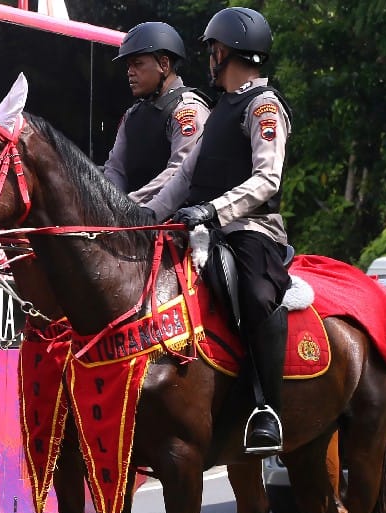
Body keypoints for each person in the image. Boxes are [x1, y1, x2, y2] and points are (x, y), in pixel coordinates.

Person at [143, 7, 292, 455]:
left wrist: (213, 210)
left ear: (225, 52)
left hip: (251, 229)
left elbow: (268, 179)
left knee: (256, 295)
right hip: (202, 225)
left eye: (212, 50)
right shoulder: (223, 108)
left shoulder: (263, 107)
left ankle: (267, 408)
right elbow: (182, 178)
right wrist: (139, 218)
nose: (210, 58)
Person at [102, 21, 211, 204]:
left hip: (177, 217)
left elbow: (180, 171)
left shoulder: (187, 109)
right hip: (132, 214)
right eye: (128, 66)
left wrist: (129, 205)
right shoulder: (132, 115)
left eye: (138, 64)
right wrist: (111, 203)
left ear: (164, 64)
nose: (130, 72)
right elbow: (115, 168)